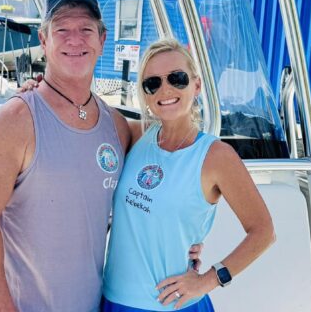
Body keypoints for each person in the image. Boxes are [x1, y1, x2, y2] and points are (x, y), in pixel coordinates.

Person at [0, 0, 133, 311]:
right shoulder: (13, 121)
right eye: (62, 30)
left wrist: (188, 244)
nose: (75, 40)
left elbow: (165, 163)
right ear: (44, 40)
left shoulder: (118, 127)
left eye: (85, 29)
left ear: (102, 39)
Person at [101, 39, 275, 311]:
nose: (165, 89)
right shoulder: (137, 136)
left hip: (173, 305)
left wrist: (208, 280)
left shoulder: (216, 156)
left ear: (196, 85)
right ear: (145, 94)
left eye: (177, 78)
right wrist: (35, 91)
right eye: (153, 83)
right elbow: (81, 111)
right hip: (113, 299)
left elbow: (264, 232)